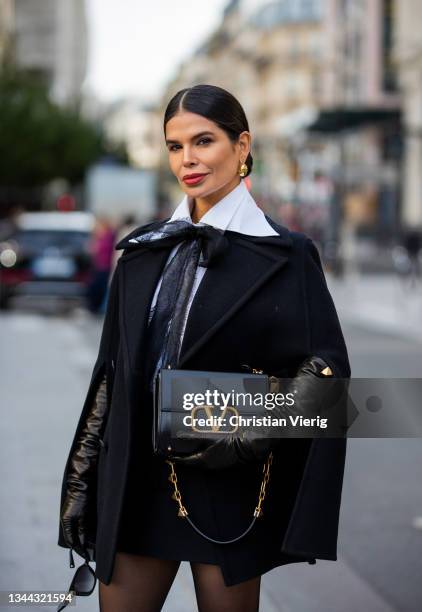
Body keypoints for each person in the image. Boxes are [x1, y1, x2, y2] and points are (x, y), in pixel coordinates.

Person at [57, 84, 351, 612]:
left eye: (204, 141)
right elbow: (110, 376)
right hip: (135, 485)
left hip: (228, 492)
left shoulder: (287, 255)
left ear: (242, 147)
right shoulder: (143, 252)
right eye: (174, 146)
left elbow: (328, 384)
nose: (187, 159)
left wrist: (248, 434)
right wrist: (82, 481)